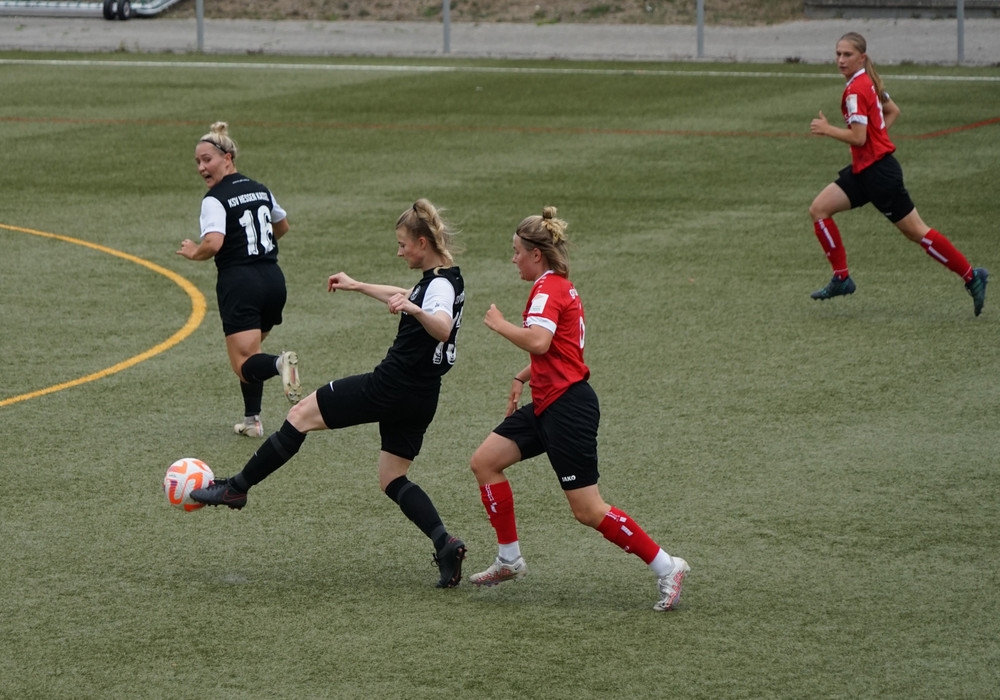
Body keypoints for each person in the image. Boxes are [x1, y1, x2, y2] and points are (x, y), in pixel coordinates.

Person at [191, 199, 469, 589]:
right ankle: (445, 544)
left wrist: (415, 310)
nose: (399, 251)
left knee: (300, 415)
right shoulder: (446, 278)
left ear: (422, 243)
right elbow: (408, 294)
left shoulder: (435, 286)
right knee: (392, 478)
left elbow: (440, 324)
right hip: (422, 396)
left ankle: (236, 488)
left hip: (390, 386)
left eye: (403, 244)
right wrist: (358, 285)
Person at [468, 206, 690, 612]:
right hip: (548, 402)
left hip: (568, 408)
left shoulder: (548, 290)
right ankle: (509, 559)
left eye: (517, 251)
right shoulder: (558, 286)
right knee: (485, 461)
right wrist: (522, 377)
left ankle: (667, 566)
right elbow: (559, 350)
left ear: (536, 254)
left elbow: (539, 342)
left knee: (588, 510)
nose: (513, 259)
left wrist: (499, 324)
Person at [807, 32, 987, 315]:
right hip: (865, 171)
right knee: (819, 209)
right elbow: (892, 111)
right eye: (838, 54)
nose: (841, 60)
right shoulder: (866, 81)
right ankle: (841, 278)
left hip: (880, 175)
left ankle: (971, 276)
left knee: (916, 232)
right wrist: (877, 140)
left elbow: (858, 137)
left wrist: (828, 129)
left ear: (862, 58)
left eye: (847, 55)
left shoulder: (855, 91)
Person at [177, 121, 301, 438]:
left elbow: (213, 243)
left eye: (207, 159)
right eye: (198, 162)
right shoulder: (260, 188)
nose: (201, 167)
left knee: (243, 362)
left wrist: (194, 253)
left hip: (240, 284)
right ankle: (252, 421)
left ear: (227, 158)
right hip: (273, 281)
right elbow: (282, 225)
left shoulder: (214, 199)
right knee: (250, 352)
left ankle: (280, 364)